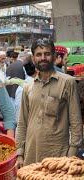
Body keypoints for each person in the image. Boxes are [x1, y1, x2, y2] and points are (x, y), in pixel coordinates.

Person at [16, 38, 83, 168]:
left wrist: (71, 156)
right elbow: (22, 123)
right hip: (31, 154)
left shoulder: (67, 82)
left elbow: (76, 123)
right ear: (33, 58)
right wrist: (19, 153)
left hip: (58, 156)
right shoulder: (28, 87)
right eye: (38, 55)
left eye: (47, 54)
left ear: (53, 56)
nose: (43, 58)